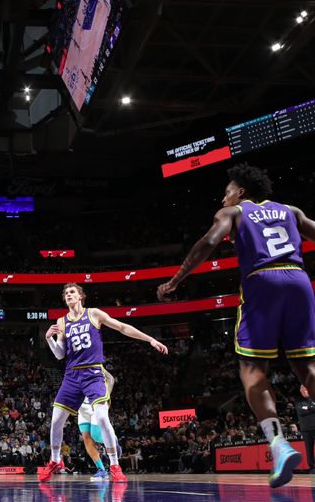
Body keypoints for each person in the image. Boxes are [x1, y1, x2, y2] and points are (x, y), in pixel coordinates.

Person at [157, 164, 315, 488]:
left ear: (241, 192)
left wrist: (176, 280)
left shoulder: (234, 212)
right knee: (307, 367)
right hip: (300, 281)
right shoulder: (291, 210)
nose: (223, 195)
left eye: (227, 190)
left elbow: (207, 242)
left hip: (262, 281)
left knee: (252, 369)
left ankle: (279, 444)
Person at [41, 283, 168, 483]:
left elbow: (122, 327)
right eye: (66, 293)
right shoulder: (61, 322)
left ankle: (115, 465)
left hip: (93, 372)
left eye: (72, 292)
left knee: (101, 418)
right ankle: (55, 460)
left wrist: (150, 339)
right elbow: (59, 355)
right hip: (72, 375)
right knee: (56, 419)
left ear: (81, 296)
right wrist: (49, 339)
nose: (68, 295)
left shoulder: (94, 314)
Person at [76, 368, 117, 480]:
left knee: (96, 436)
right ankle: (101, 470)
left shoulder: (94, 363)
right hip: (82, 408)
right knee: (86, 438)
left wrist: (105, 396)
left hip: (96, 404)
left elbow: (110, 379)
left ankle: (113, 440)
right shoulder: (72, 366)